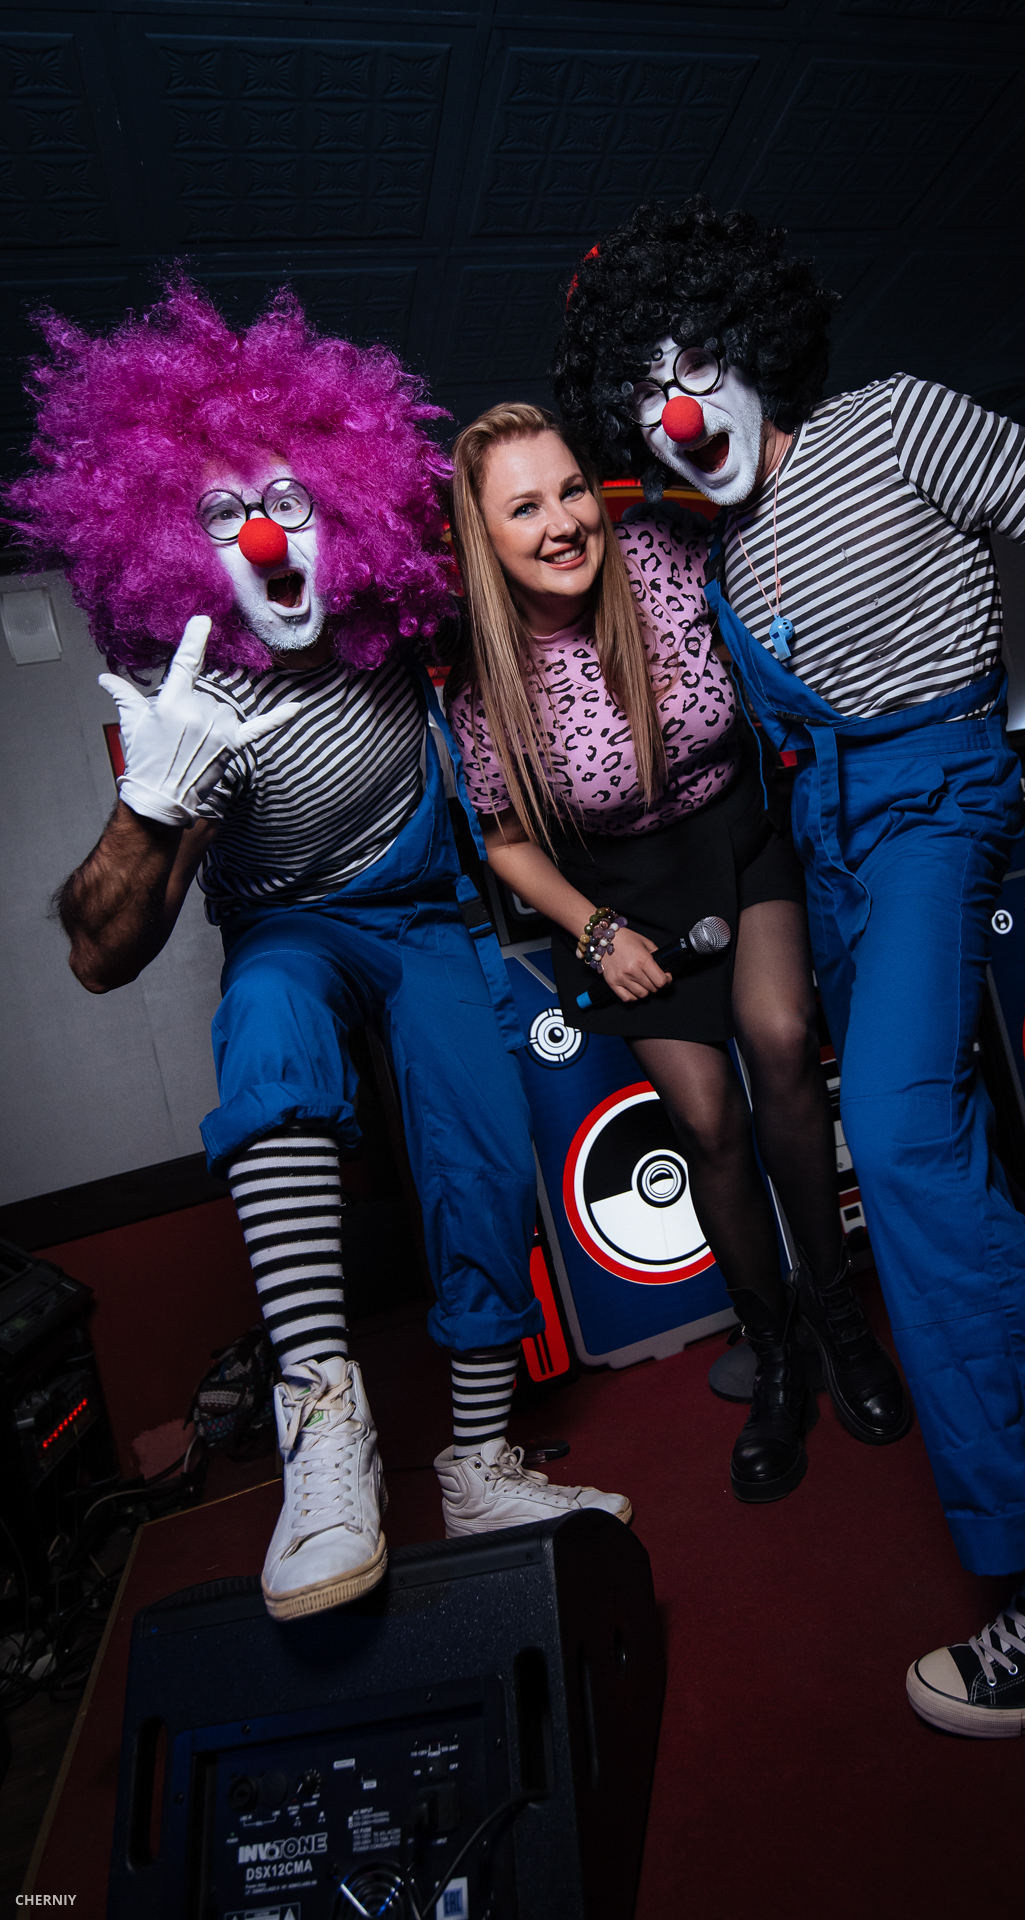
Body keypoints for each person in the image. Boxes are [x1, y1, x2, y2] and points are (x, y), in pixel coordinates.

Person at [553, 197, 1025, 1736]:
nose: (678, 415)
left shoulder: (891, 421)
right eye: (643, 398)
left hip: (934, 804)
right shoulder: (714, 549)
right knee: (933, 1120)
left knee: (898, 1142)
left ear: (748, 347)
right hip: (826, 847)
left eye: (693, 368)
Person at [5, 283, 629, 1623]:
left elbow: (529, 568)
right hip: (289, 922)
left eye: (288, 499)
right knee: (271, 1028)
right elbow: (101, 960)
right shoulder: (202, 704)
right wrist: (151, 801)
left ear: (339, 504)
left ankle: (477, 1461)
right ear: (167, 546)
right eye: (219, 515)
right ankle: (321, 1427)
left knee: (483, 1138)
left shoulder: (392, 613)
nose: (264, 535)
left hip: (425, 912)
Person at [444, 401, 910, 1502]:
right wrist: (596, 933)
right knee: (705, 1119)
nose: (563, 522)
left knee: (782, 1039)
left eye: (570, 490)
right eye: (525, 507)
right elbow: (503, 841)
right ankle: (776, 1355)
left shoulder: (662, 553)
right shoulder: (480, 673)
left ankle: (840, 1321)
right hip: (615, 896)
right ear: (484, 535)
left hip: (737, 836)